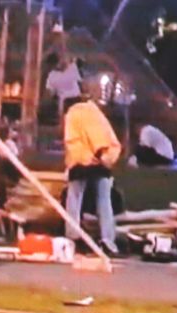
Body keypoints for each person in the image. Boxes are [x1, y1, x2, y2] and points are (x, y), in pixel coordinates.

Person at [61, 77, 123, 256]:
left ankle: (73, 238)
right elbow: (105, 137)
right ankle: (108, 241)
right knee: (104, 201)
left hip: (80, 161)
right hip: (101, 162)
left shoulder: (73, 113)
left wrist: (85, 156)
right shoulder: (96, 113)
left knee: (74, 199)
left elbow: (72, 140)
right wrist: (102, 155)